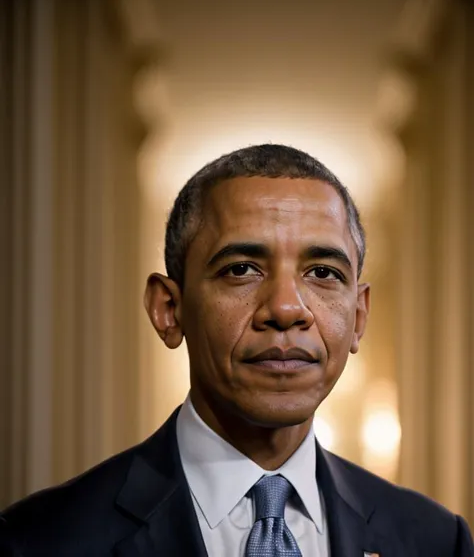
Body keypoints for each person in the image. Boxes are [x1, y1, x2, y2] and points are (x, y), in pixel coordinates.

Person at [0, 144, 472, 556]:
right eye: (242, 268)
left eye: (323, 273)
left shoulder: (435, 539)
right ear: (169, 310)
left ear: (359, 317)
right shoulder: (39, 539)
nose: (287, 309)